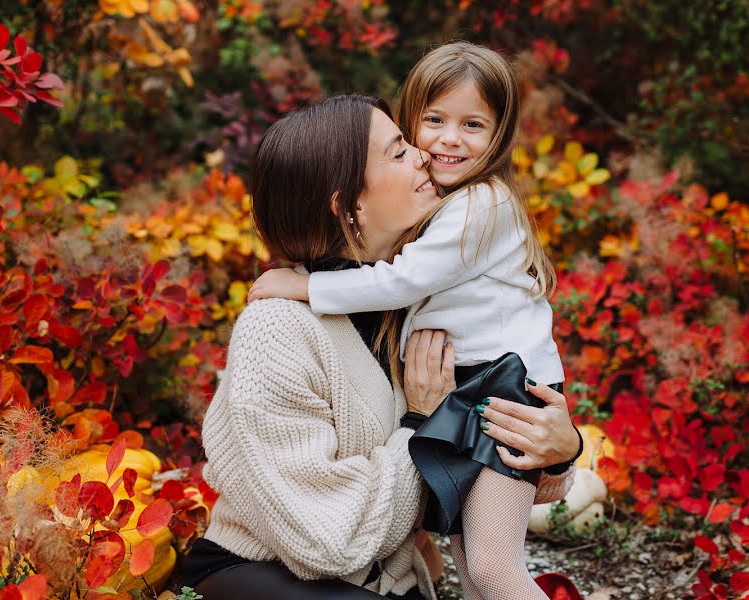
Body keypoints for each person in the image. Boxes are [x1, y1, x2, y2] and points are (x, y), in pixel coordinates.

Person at [183, 93, 581, 600]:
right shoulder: (278, 331)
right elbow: (329, 541)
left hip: (380, 580)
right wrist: (418, 423)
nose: (422, 152)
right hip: (265, 577)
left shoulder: (422, 301)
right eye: (397, 151)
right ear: (348, 205)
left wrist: (562, 451)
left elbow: (504, 487)